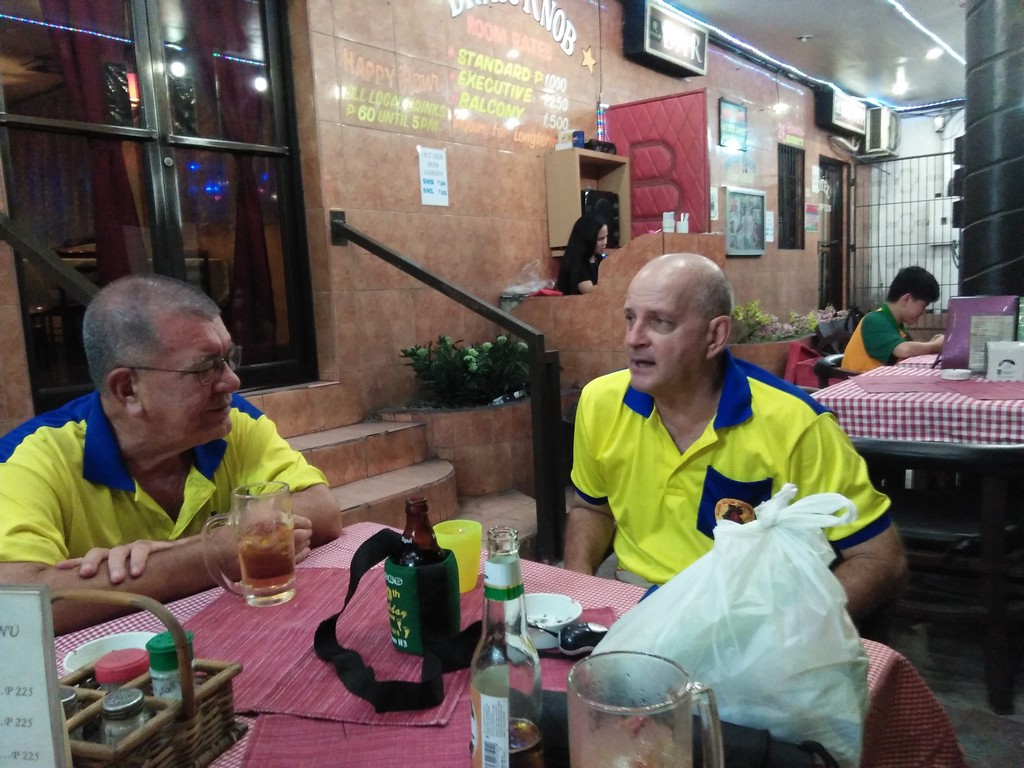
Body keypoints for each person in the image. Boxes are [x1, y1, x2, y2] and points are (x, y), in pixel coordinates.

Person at [562, 253, 908, 621]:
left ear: (715, 336)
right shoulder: (600, 401)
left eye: (660, 322)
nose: (633, 339)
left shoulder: (796, 423)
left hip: (748, 619)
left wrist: (788, 634)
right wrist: (581, 595)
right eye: (630, 318)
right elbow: (591, 508)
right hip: (631, 606)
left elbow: (881, 559)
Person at [0, 275, 343, 633]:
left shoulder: (230, 423)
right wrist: (218, 552)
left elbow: (321, 510)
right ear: (128, 389)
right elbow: (15, 606)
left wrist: (155, 563)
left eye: (229, 358)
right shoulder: (30, 459)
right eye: (205, 368)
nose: (231, 381)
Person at [842, 266, 944, 372]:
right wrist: (935, 345)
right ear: (907, 299)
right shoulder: (874, 320)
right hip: (857, 380)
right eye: (923, 306)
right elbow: (904, 350)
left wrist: (930, 344)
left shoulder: (895, 325)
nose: (923, 313)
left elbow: (909, 350)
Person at [554, 215, 608, 295]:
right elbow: (590, 291)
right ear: (588, 239)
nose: (605, 242)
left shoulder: (599, 259)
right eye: (600, 239)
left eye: (606, 237)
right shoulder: (577, 265)